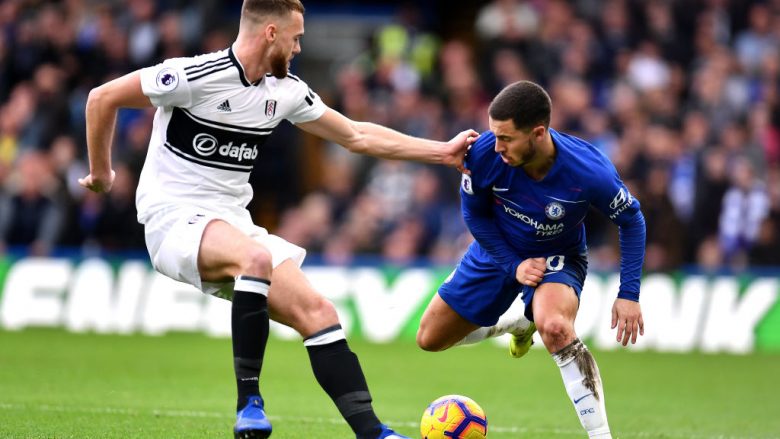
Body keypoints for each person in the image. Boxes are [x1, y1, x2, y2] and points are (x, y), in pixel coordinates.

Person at [78, 1, 476, 438]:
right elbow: (102, 98)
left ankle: (373, 433)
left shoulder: (285, 91)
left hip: (231, 223)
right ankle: (249, 403)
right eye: (296, 37)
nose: (299, 47)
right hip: (173, 219)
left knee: (319, 312)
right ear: (271, 33)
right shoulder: (195, 75)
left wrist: (441, 151)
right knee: (255, 259)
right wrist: (102, 172)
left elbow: (357, 135)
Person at [415, 80, 646, 439]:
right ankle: (516, 324)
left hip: (559, 254)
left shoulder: (589, 171)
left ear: (538, 133)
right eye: (494, 134)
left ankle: (601, 436)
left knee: (555, 327)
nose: (497, 145)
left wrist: (629, 294)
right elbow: (475, 216)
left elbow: (632, 220)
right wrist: (513, 265)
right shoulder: (484, 153)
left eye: (506, 137)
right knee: (429, 338)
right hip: (497, 250)